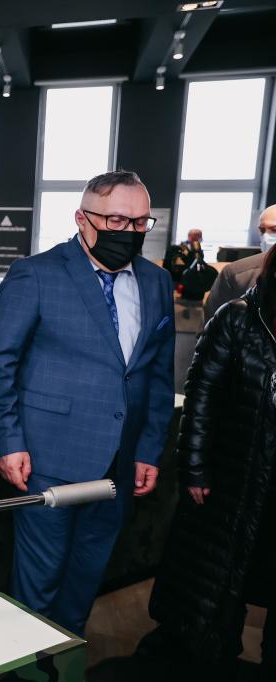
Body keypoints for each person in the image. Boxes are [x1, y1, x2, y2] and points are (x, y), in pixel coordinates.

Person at [0, 170, 175, 636]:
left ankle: (65, 661)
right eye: (115, 221)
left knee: (84, 582)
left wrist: (149, 450)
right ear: (82, 218)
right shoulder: (36, 274)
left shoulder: (156, 281)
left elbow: (158, 375)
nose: (128, 232)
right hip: (45, 460)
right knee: (38, 587)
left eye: (139, 223)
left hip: (119, 465)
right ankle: (31, 662)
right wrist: (6, 442)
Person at [140, 247, 276, 679]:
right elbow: (201, 398)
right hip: (232, 481)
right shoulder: (238, 318)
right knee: (217, 590)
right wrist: (195, 468)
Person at [204, 203, 276, 318]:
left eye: (274, 230)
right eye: (262, 230)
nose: (266, 237)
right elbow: (213, 321)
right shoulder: (236, 273)